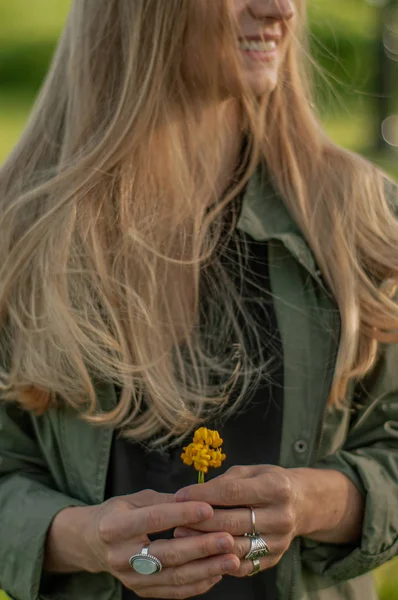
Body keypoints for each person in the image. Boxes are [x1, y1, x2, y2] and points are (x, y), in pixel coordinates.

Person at [0, 0, 397, 599]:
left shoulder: (362, 220)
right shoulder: (20, 233)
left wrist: (317, 502)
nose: (281, 8)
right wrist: (80, 537)